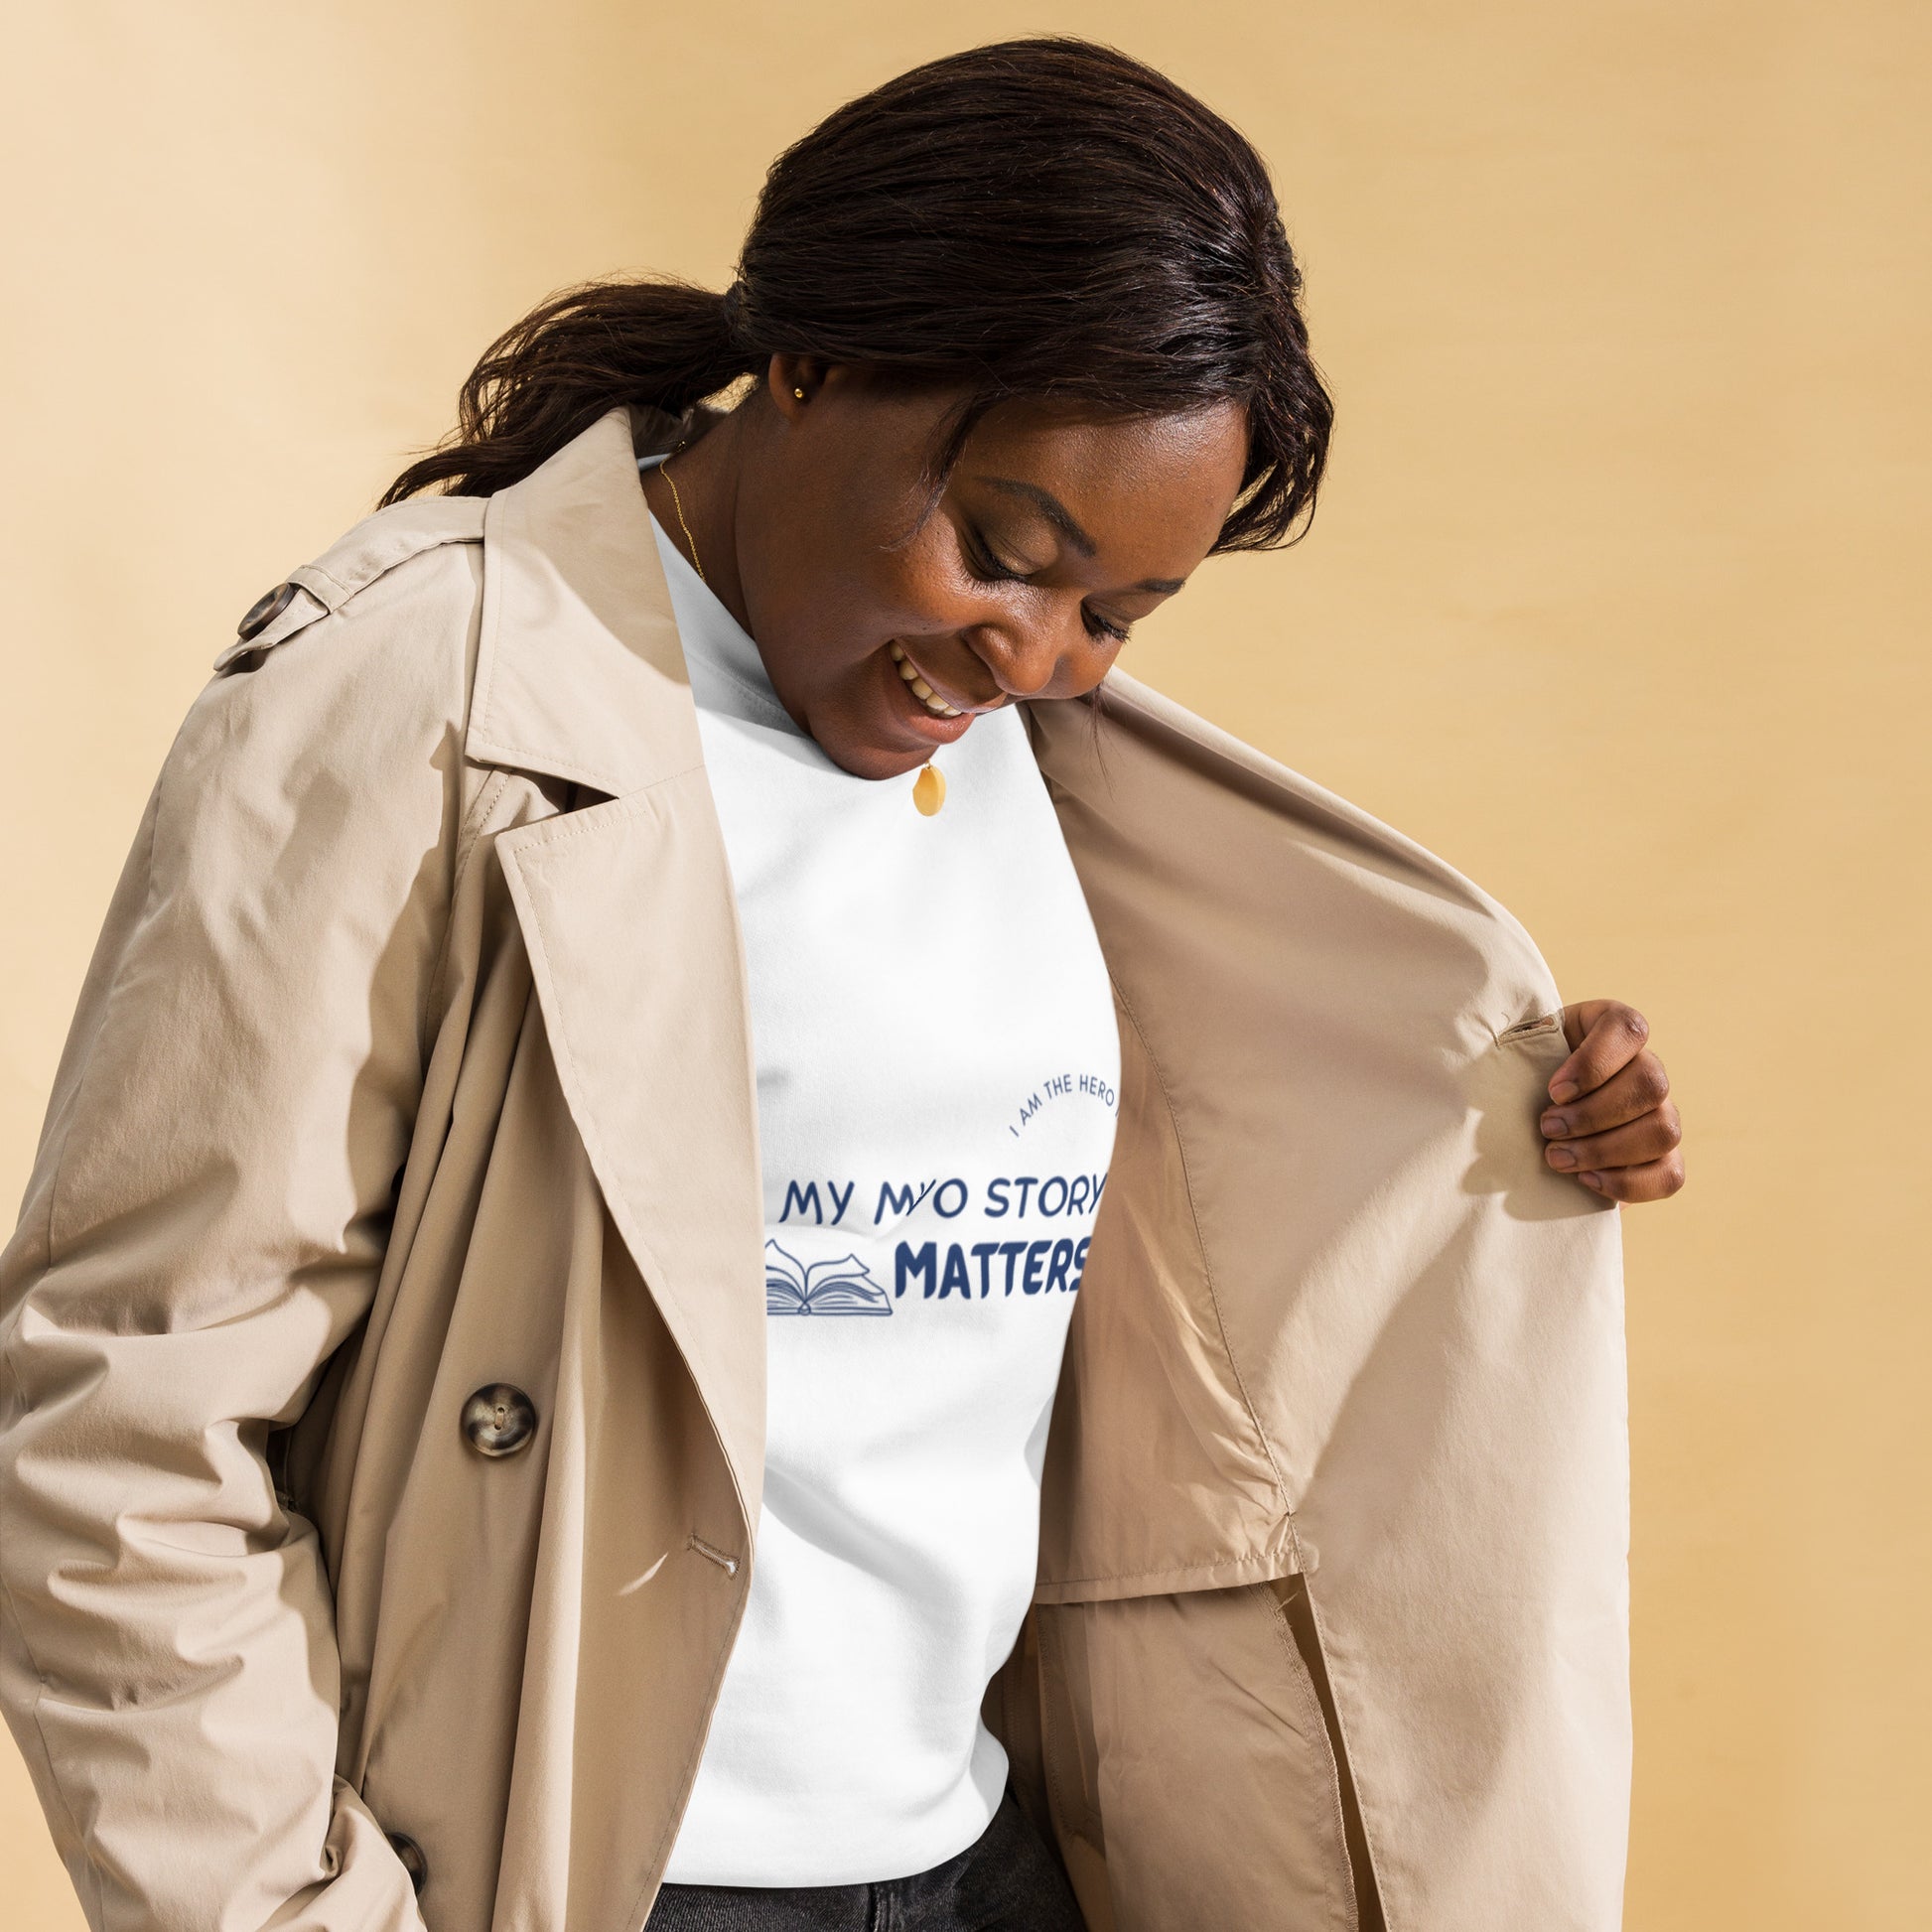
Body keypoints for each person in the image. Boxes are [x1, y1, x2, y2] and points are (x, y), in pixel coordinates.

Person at [0, 36, 1681, 1932]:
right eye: (1005, 550)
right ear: (810, 362)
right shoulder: (420, 696)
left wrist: (1497, 1109)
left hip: (984, 1853)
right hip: (599, 1877)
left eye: (1117, 614)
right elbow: (119, 1425)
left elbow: (1176, 1238)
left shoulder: (1041, 764)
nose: (1035, 654)